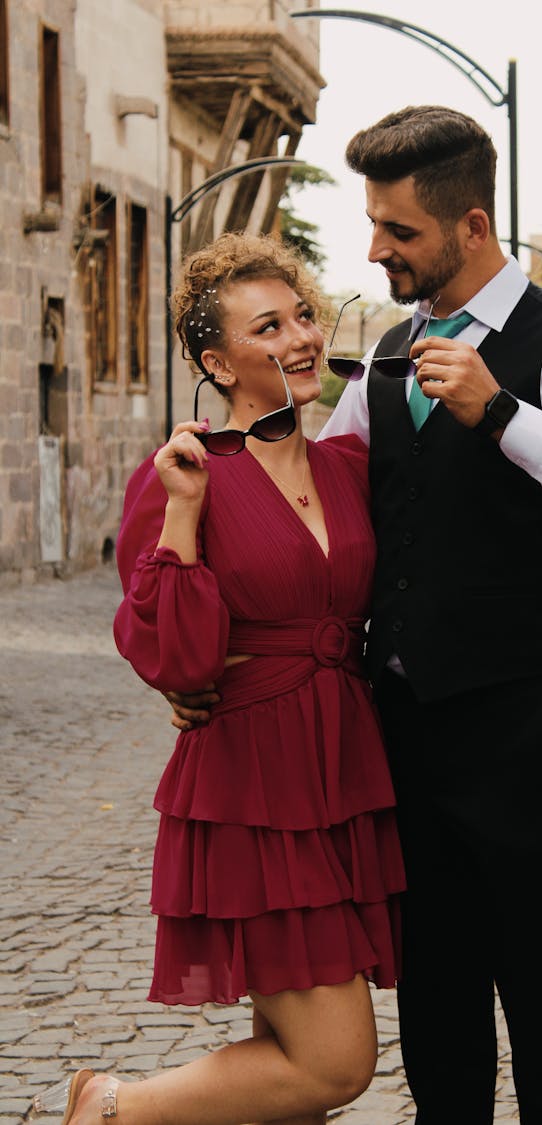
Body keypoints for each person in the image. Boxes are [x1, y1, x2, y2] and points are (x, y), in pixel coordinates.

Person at [311, 105, 542, 1125]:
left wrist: (507, 416)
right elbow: (327, 511)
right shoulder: (385, 358)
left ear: (470, 227)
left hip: (525, 720)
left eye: (399, 231)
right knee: (435, 990)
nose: (377, 247)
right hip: (405, 720)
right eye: (375, 224)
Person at [34, 233, 408, 1125]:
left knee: (290, 1059)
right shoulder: (184, 474)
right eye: (267, 326)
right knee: (333, 1062)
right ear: (215, 360)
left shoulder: (350, 466)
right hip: (254, 783)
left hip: (346, 766)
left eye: (305, 316)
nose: (301, 338)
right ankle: (110, 1106)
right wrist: (187, 512)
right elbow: (181, 658)